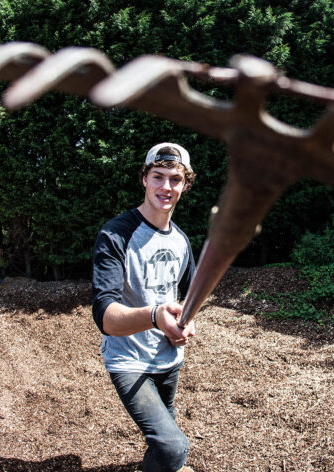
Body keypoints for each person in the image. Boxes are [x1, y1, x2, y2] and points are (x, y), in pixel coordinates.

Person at [92, 143, 197, 472]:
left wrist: (186, 320)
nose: (166, 187)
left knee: (163, 442)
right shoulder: (116, 234)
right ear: (144, 179)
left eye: (175, 179)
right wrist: (155, 316)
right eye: (158, 177)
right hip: (128, 361)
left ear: (185, 185)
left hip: (169, 358)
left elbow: (185, 298)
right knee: (173, 447)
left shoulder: (180, 241)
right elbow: (105, 316)